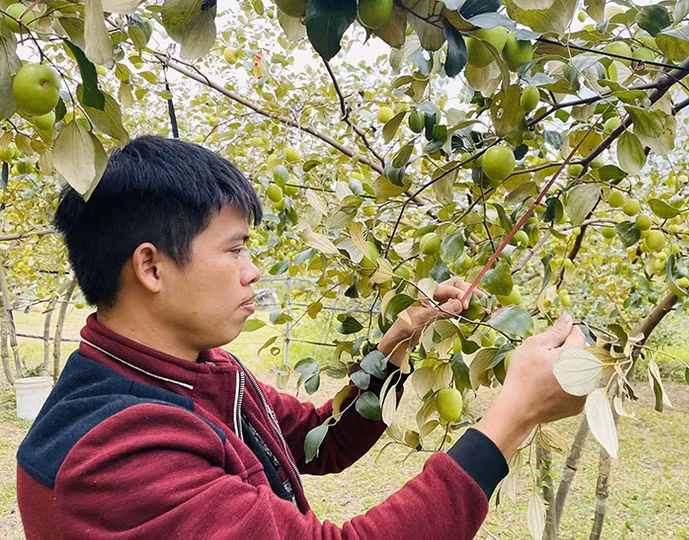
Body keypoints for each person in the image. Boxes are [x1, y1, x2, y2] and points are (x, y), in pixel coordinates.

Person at [16, 136, 586, 539]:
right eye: (235, 249)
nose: (252, 270)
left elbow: (320, 439)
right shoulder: (112, 452)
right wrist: (512, 417)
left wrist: (399, 339)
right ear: (152, 268)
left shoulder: (198, 371)